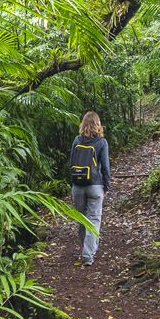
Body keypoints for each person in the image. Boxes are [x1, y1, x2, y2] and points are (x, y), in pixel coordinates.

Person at [65, 111, 111, 265]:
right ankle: (88, 255)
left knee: (82, 219)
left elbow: (71, 162)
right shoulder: (101, 142)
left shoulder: (77, 140)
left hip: (77, 186)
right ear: (98, 124)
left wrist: (73, 181)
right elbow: (105, 167)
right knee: (93, 219)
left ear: (83, 124)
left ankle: (87, 249)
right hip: (95, 186)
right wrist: (106, 186)